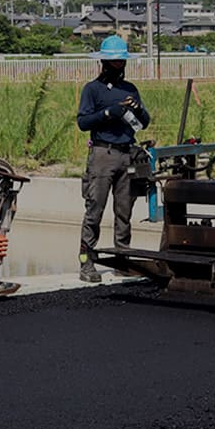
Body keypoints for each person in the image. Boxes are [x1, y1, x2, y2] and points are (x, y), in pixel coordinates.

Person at [76, 34, 150, 283]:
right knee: (94, 210)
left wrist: (138, 109)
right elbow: (83, 122)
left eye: (121, 61)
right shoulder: (92, 89)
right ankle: (87, 263)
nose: (118, 65)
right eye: (114, 61)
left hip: (127, 153)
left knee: (124, 211)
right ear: (104, 63)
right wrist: (109, 112)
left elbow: (143, 124)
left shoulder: (130, 89)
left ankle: (122, 260)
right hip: (102, 154)